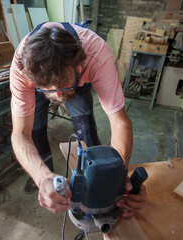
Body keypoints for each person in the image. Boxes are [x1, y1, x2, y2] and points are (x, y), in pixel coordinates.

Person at [10, 22, 146, 219]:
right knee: (35, 131)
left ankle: (96, 172)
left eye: (62, 84)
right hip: (41, 86)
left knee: (85, 125)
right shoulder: (21, 68)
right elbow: (20, 134)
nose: (57, 96)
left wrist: (116, 175)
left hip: (77, 81)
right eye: (51, 89)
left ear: (79, 63)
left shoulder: (96, 54)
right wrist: (42, 177)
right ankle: (46, 175)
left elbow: (120, 122)